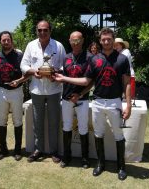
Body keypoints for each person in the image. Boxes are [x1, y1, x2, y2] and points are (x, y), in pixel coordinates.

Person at [53, 27, 131, 180]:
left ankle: (121, 166)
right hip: (97, 101)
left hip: (115, 101)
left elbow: (127, 84)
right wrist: (64, 79)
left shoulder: (122, 59)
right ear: (100, 41)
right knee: (98, 133)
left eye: (109, 39)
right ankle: (100, 164)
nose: (106, 41)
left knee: (119, 134)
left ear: (113, 40)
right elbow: (86, 81)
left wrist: (128, 105)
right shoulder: (95, 59)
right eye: (103, 39)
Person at [20, 20, 66, 163]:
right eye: (40, 30)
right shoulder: (31, 45)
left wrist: (56, 74)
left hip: (54, 89)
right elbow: (23, 64)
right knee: (37, 121)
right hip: (36, 89)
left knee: (54, 121)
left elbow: (66, 65)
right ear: (36, 31)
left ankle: (53, 151)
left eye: (45, 30)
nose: (42, 32)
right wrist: (34, 72)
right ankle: (38, 149)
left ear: (50, 31)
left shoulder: (58, 46)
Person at [0, 31, 28, 161]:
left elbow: (27, 74)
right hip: (2, 91)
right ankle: (3, 149)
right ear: (0, 42)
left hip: (16, 91)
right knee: (2, 121)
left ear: (11, 41)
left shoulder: (20, 56)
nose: (6, 42)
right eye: (3, 40)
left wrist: (19, 81)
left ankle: (18, 150)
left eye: (8, 40)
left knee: (18, 121)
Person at [60, 31, 93, 169]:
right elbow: (63, 77)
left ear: (83, 40)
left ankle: (85, 158)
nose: (75, 43)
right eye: (73, 40)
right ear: (69, 40)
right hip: (66, 98)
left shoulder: (90, 57)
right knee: (66, 126)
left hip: (82, 98)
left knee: (83, 128)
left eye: (78, 40)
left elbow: (91, 82)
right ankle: (67, 156)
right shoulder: (66, 57)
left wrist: (80, 94)